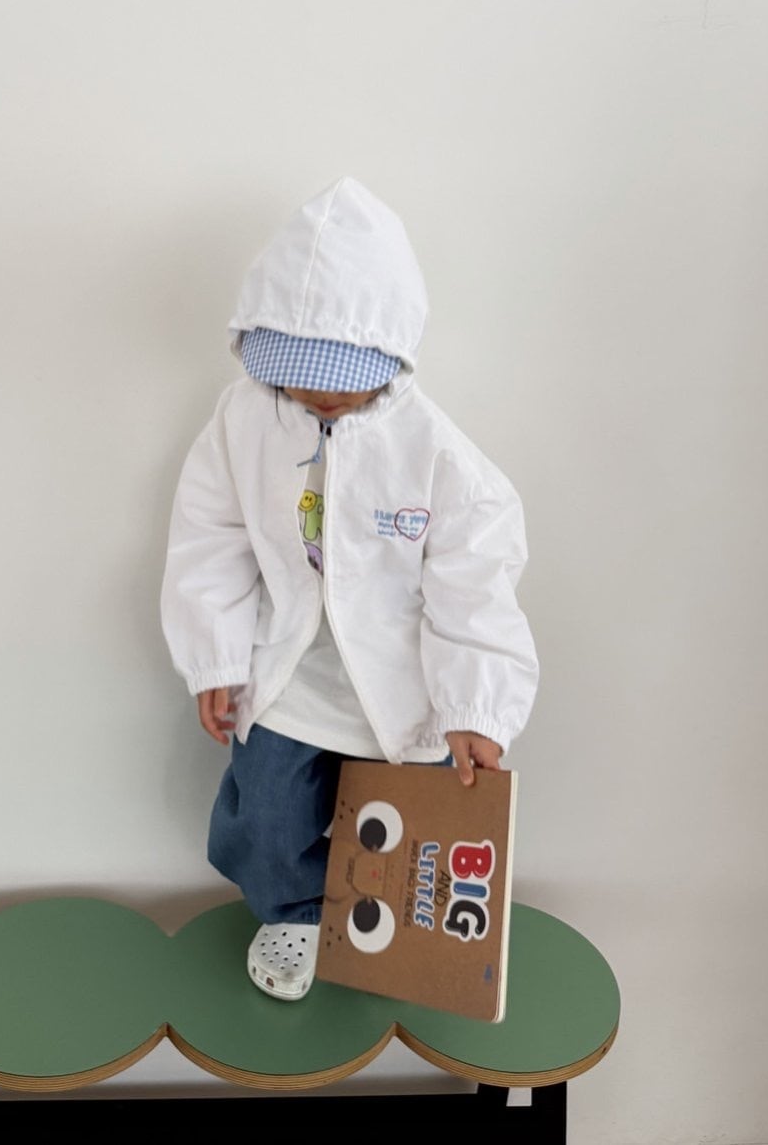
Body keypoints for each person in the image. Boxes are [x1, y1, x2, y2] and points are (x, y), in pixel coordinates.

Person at [161, 176, 538, 1000]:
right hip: (293, 671)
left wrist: (477, 705)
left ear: (392, 358)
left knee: (411, 831)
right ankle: (293, 913)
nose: (322, 392)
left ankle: (399, 934)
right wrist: (215, 656)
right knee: (266, 812)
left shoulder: (436, 456)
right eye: (300, 374)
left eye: (343, 374)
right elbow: (211, 536)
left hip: (404, 685)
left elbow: (475, 585)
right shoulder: (246, 420)